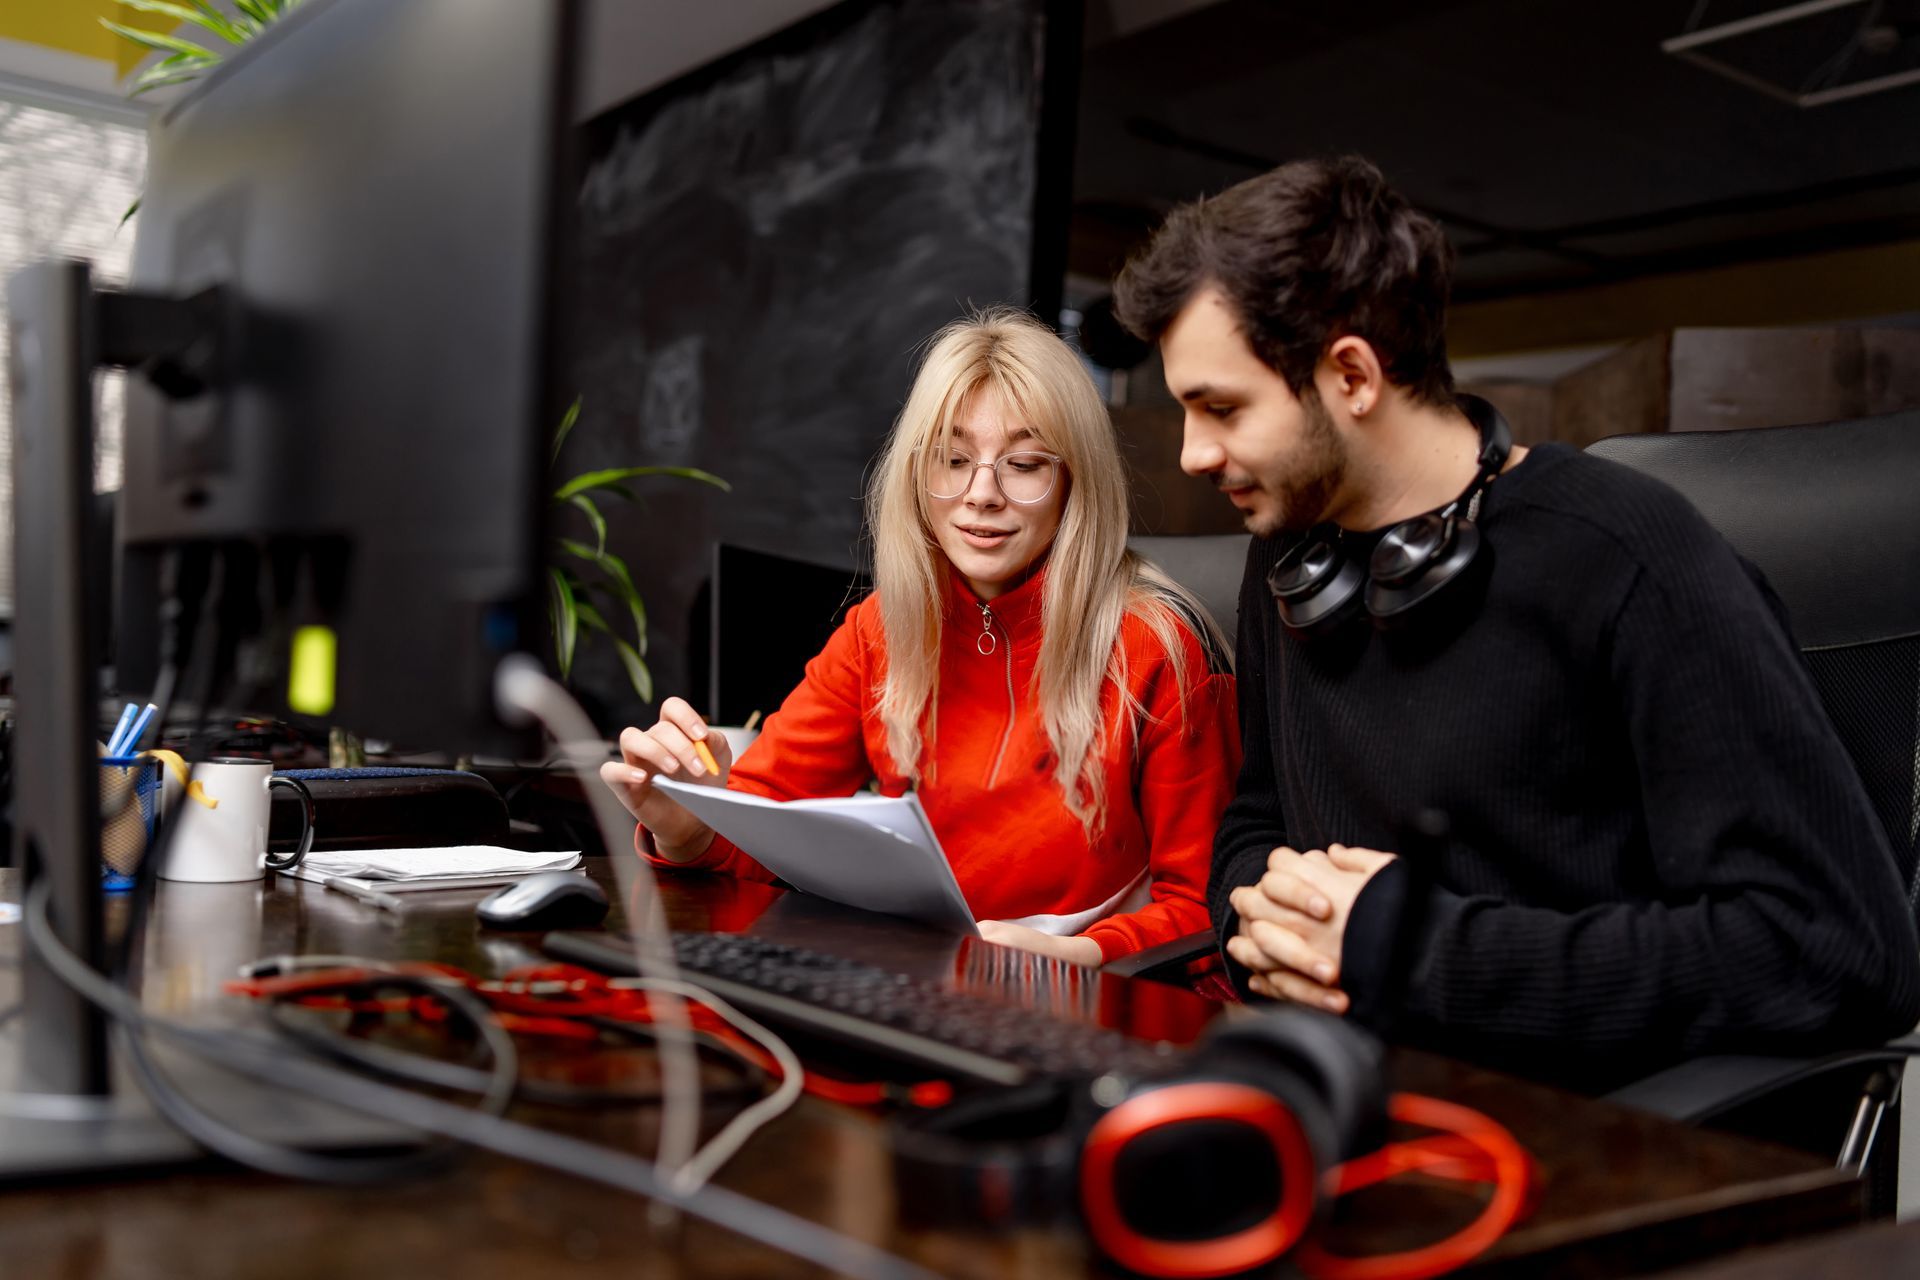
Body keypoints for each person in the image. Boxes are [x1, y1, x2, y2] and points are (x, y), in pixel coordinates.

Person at [1111, 156, 1920, 1089]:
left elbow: (1834, 949)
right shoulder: (1292, 554)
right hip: (1342, 1091)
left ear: (1352, 374)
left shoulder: (1629, 556)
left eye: (1221, 408)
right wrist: (1263, 910)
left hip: (1580, 1129)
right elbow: (1258, 814)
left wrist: (1402, 943)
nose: (1194, 453)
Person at [600, 308, 1238, 966]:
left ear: (1075, 482)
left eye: (1023, 464)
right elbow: (764, 829)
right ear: (916, 473)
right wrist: (689, 827)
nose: (981, 493)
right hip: (921, 990)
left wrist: (1087, 956)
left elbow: (1203, 909)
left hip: (1082, 1009)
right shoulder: (879, 629)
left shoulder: (1157, 647)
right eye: (953, 459)